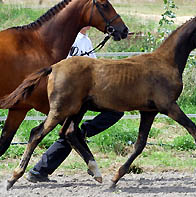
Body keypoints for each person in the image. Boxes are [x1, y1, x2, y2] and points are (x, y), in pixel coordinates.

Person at [27, 27, 124, 182]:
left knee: (115, 111)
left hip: (86, 94)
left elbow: (95, 67)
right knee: (70, 133)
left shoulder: (86, 41)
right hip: (69, 94)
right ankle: (39, 170)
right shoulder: (70, 37)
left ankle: (40, 170)